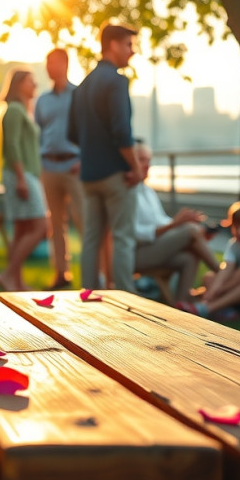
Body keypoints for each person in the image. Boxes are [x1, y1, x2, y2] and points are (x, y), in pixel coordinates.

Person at [68, 23, 144, 293]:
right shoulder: (117, 81)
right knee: (122, 237)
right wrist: (136, 168)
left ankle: (87, 293)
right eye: (128, 45)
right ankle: (127, 298)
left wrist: (92, 150)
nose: (132, 51)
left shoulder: (81, 87)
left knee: (91, 239)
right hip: (115, 175)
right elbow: (122, 132)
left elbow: (71, 133)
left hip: (89, 175)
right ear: (112, 44)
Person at [132, 142, 220, 304]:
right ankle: (223, 275)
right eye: (141, 160)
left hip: (154, 248)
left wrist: (180, 222)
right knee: (191, 231)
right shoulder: (126, 194)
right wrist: (176, 225)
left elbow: (162, 221)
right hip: (137, 255)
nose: (147, 165)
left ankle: (181, 303)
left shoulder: (148, 191)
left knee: (189, 256)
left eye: (149, 160)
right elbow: (136, 234)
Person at [35, 47, 84, 290]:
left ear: (65, 64)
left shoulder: (79, 95)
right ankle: (61, 274)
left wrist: (83, 158)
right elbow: (40, 132)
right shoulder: (42, 100)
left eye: (52, 63)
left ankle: (95, 275)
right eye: (47, 63)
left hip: (74, 165)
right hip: (49, 166)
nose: (48, 68)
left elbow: (89, 129)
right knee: (55, 223)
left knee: (83, 220)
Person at [0, 67, 48, 292]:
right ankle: (8, 274)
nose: (35, 85)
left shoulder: (23, 110)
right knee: (40, 226)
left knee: (21, 229)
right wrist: (21, 178)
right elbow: (12, 145)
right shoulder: (15, 110)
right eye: (30, 81)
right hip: (20, 175)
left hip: (27, 174)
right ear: (18, 85)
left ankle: (15, 282)